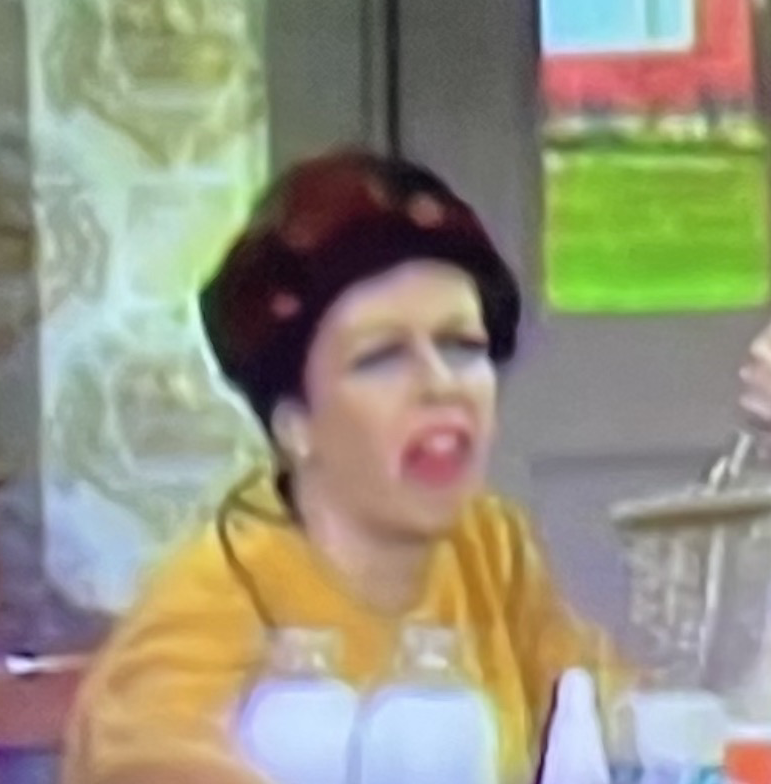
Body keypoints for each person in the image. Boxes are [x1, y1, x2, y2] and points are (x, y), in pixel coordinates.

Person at [62, 148, 750, 784]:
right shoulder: (210, 605)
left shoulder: (488, 545)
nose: (441, 386)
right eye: (382, 358)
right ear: (295, 422)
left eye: (462, 346)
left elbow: (618, 725)